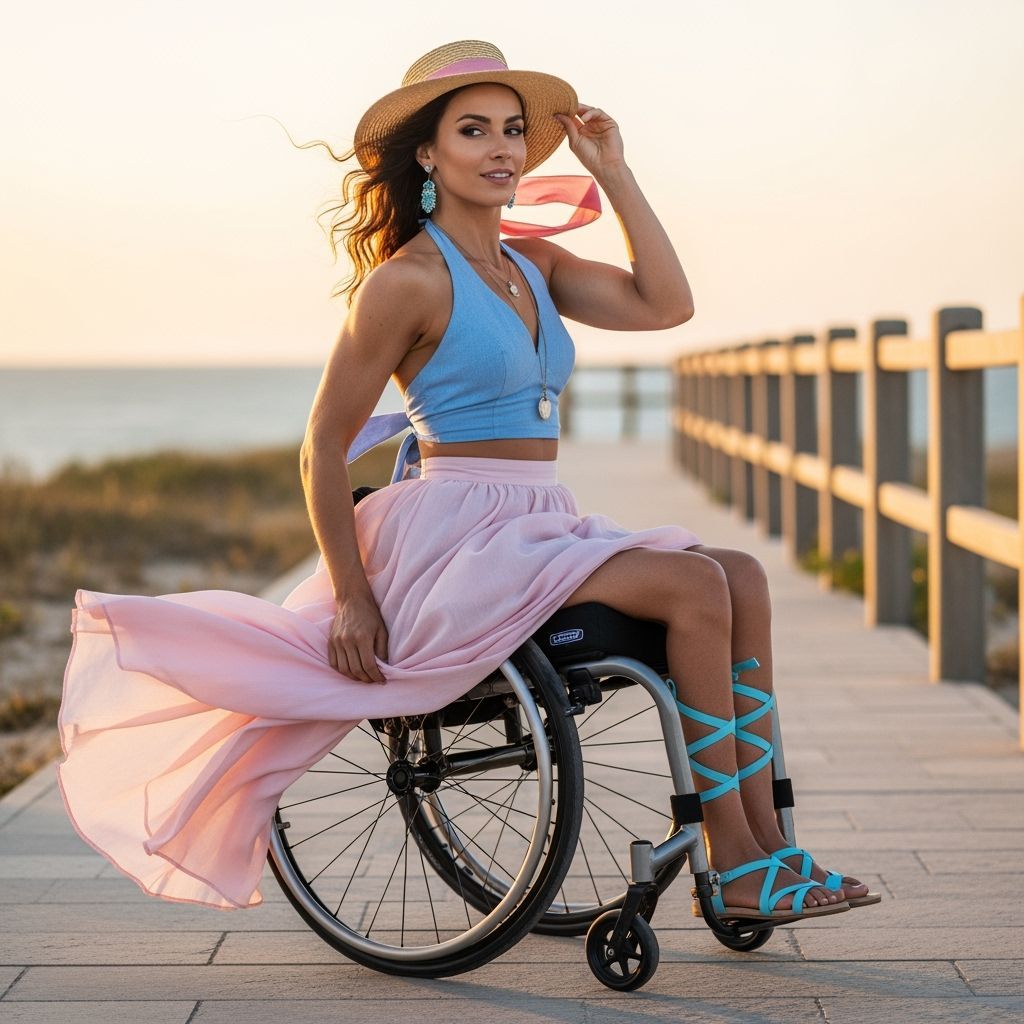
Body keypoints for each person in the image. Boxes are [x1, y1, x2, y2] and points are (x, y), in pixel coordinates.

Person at [57, 39, 878, 920]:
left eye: (514, 131)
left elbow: (665, 304)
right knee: (694, 586)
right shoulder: (405, 282)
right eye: (474, 130)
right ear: (427, 153)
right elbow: (322, 447)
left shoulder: (536, 266)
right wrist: (354, 595)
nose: (501, 149)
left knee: (743, 576)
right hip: (457, 534)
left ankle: (761, 848)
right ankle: (739, 864)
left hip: (536, 519)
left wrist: (617, 172)